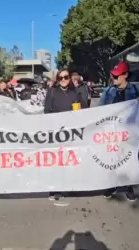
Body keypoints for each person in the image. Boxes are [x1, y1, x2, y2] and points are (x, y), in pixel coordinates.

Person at [98, 61, 139, 201]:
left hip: (130, 133)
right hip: (112, 133)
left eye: (117, 76)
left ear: (125, 75)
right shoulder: (108, 91)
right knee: (112, 158)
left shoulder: (136, 90)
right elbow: (99, 111)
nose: (113, 78)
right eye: (113, 75)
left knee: (129, 159)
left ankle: (129, 187)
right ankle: (112, 185)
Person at [44, 68, 88, 202]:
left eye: (66, 77)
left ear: (70, 78)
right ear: (57, 80)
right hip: (57, 133)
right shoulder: (52, 92)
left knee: (70, 159)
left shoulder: (75, 92)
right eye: (60, 78)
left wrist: (80, 108)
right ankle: (55, 189)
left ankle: (70, 184)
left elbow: (85, 109)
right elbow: (46, 111)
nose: (63, 80)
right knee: (57, 161)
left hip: (72, 133)